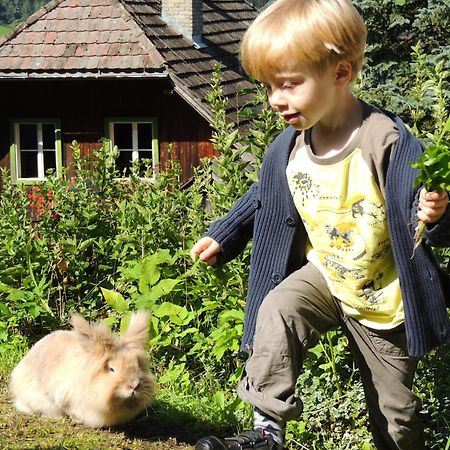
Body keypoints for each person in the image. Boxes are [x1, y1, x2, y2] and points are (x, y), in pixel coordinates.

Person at [191, 0, 450, 448]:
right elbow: (265, 195)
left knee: (397, 417)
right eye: (270, 86)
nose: (276, 99)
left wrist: (436, 214)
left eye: (289, 85)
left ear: (341, 73)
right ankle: (266, 431)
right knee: (279, 309)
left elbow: (422, 212)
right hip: (327, 274)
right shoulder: (289, 147)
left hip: (383, 295)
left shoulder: (386, 140)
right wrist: (225, 234)